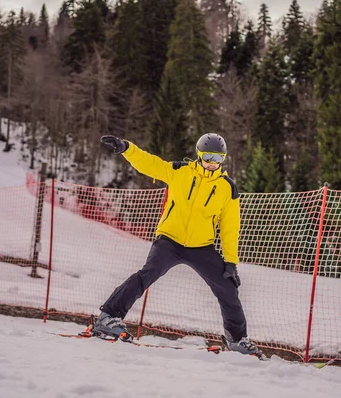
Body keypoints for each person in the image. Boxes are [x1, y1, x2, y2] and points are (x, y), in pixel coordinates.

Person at [95, 133, 261, 356]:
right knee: (147, 274)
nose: (212, 163)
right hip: (170, 241)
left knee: (228, 289)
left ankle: (238, 341)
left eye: (218, 158)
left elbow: (230, 228)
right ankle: (108, 317)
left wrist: (231, 262)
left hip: (202, 246)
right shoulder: (179, 171)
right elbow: (150, 164)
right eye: (208, 156)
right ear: (199, 155)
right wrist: (127, 148)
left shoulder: (227, 188)